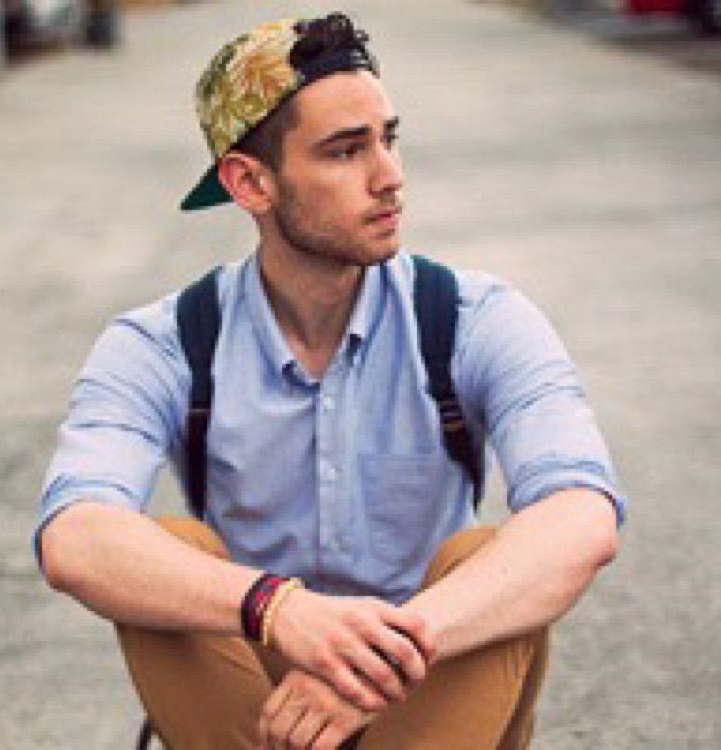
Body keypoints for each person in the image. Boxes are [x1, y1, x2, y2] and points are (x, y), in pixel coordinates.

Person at [35, 12, 626, 750]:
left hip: (433, 687)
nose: (390, 176)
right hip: (258, 706)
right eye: (346, 151)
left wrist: (388, 652)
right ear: (250, 182)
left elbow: (582, 515)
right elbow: (76, 536)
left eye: (388, 139)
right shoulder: (162, 344)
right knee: (166, 548)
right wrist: (278, 610)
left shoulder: (474, 318)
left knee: (482, 562)